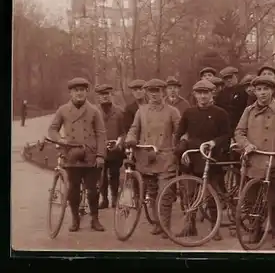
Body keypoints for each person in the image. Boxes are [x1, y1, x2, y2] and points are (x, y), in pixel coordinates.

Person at [234, 76, 275, 248]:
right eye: (259, 90)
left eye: (266, 89)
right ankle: (256, 229)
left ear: (272, 91)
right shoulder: (248, 111)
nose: (262, 93)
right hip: (254, 161)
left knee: (274, 200)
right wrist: (246, 145)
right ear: (254, 92)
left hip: (274, 161)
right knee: (253, 199)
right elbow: (239, 132)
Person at [174, 79, 231, 240]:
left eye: (206, 93)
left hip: (210, 157)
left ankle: (215, 228)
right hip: (192, 157)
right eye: (199, 93)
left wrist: (214, 143)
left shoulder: (221, 113)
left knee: (211, 194)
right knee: (190, 194)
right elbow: (179, 133)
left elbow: (227, 135)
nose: (203, 96)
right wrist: (181, 149)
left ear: (212, 94)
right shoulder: (189, 113)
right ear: (195, 95)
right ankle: (190, 226)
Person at [47, 77, 106, 232]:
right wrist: (59, 139)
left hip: (90, 155)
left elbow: (101, 134)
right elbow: (52, 129)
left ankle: (95, 218)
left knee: (93, 190)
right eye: (76, 90)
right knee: (73, 190)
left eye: (82, 90)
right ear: (70, 93)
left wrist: (100, 155)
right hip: (71, 154)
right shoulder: (63, 110)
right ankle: (75, 219)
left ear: (87, 92)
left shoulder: (94, 110)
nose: (79, 93)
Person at [125, 78, 181, 237]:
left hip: (165, 156)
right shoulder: (141, 111)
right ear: (146, 93)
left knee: (166, 192)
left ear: (163, 92)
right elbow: (134, 129)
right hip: (146, 157)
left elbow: (180, 132)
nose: (154, 94)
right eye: (151, 91)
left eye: (157, 91)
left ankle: (165, 225)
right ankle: (157, 223)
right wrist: (130, 139)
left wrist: (179, 147)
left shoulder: (172, 111)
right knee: (152, 192)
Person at [95, 84, 126, 209]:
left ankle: (114, 198)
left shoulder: (119, 112)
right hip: (100, 149)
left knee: (114, 174)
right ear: (98, 98)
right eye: (102, 95)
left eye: (107, 94)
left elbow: (124, 132)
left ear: (111, 95)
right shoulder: (95, 112)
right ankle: (104, 199)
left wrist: (120, 142)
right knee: (101, 175)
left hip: (115, 149)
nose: (105, 97)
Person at [216, 66, 248, 134]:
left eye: (230, 77)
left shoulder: (243, 91)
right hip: (225, 125)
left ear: (236, 76)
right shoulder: (220, 94)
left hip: (241, 123)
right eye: (225, 78)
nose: (228, 80)